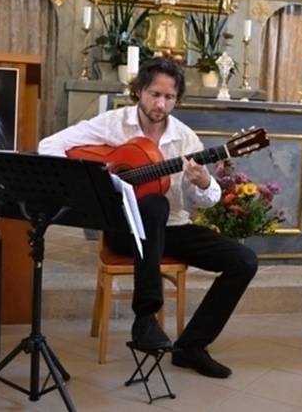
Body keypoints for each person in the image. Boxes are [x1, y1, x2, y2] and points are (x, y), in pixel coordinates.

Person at [38, 57, 258, 379]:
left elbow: (208, 201)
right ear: (139, 90)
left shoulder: (185, 139)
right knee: (154, 204)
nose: (161, 103)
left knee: (244, 260)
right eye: (155, 94)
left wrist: (203, 182)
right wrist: (97, 178)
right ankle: (145, 318)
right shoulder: (113, 124)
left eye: (169, 97)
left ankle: (190, 348)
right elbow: (50, 145)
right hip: (123, 230)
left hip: (174, 229)